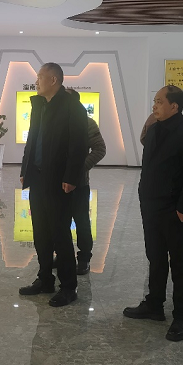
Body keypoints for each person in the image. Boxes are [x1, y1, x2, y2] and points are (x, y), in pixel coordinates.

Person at [123, 85, 183, 341]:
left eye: (159, 101)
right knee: (155, 257)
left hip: (173, 210)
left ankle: (181, 316)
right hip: (151, 206)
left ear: (174, 106)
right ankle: (154, 304)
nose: (154, 105)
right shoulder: (155, 129)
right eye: (154, 101)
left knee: (179, 262)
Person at [19, 63, 88, 307]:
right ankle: (45, 279)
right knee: (41, 232)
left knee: (60, 234)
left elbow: (79, 146)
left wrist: (71, 177)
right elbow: (32, 140)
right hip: (38, 178)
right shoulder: (39, 105)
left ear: (54, 80)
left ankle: (68, 287)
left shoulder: (72, 107)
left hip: (59, 181)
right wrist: (25, 170)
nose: (36, 82)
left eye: (40, 77)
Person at [65, 88, 107, 275]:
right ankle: (63, 254)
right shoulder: (54, 123)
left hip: (78, 184)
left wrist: (78, 169)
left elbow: (100, 149)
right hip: (55, 183)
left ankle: (84, 259)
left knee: (81, 221)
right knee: (59, 222)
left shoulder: (87, 123)